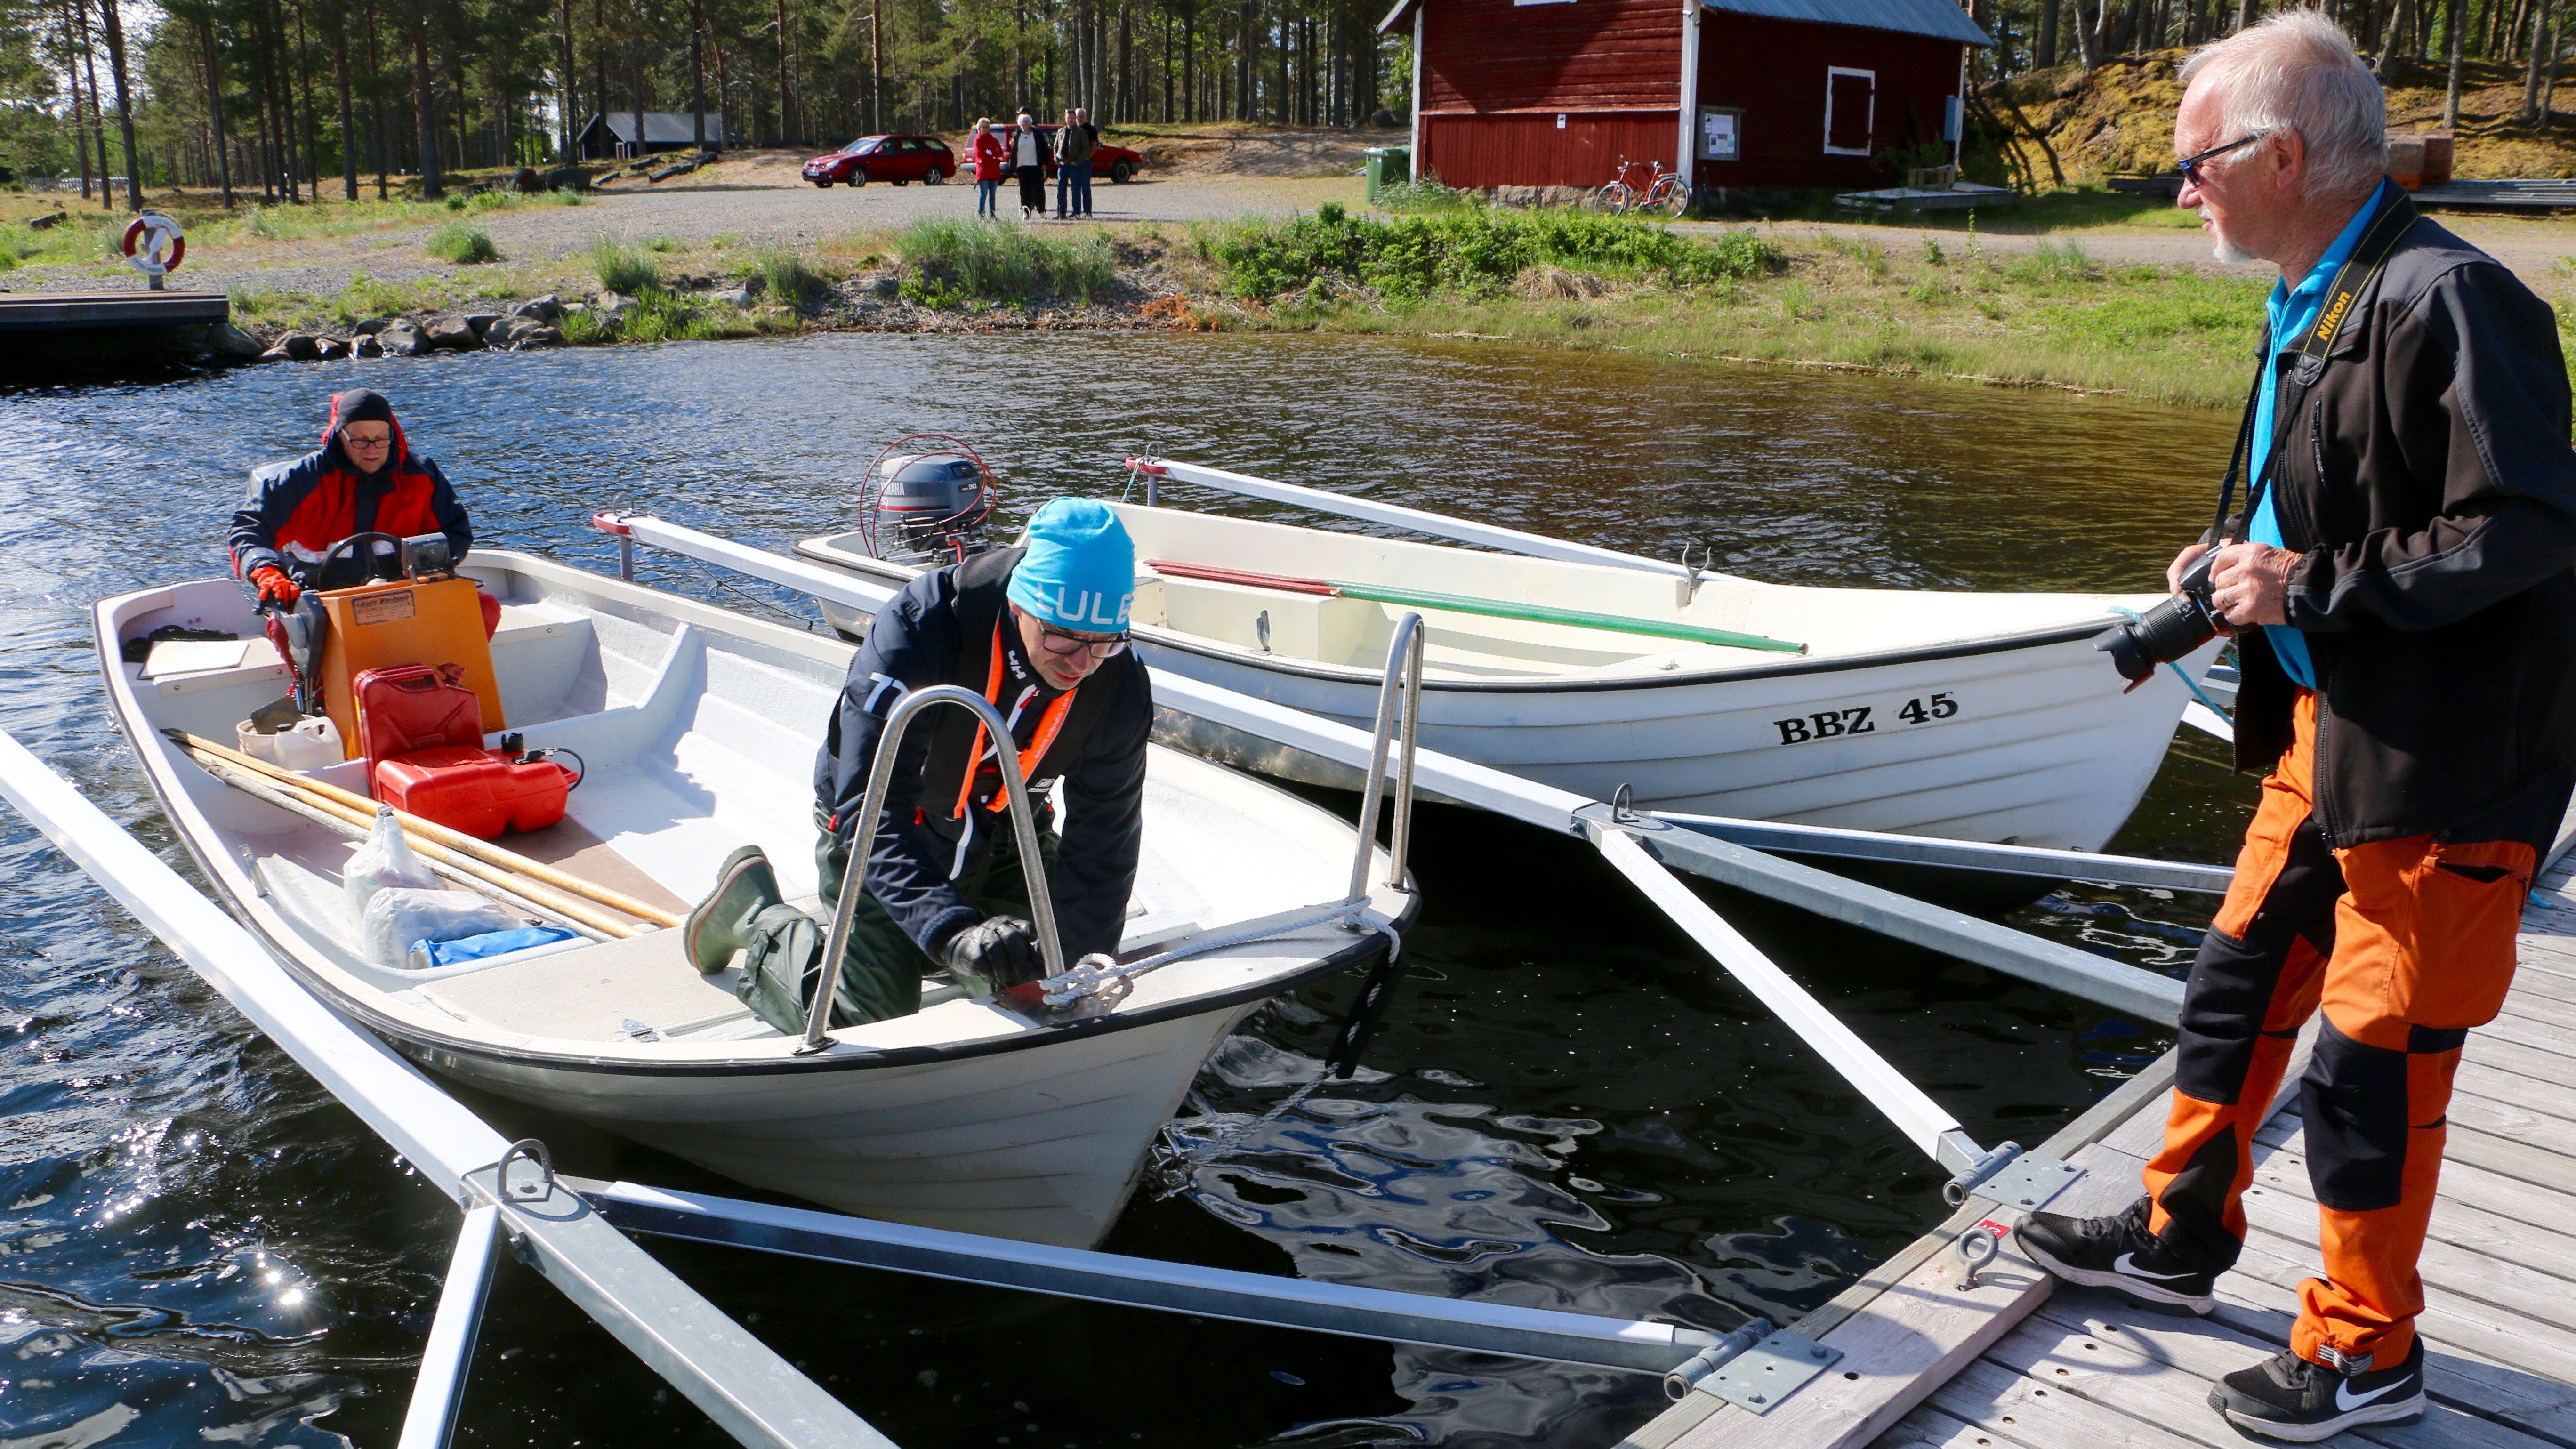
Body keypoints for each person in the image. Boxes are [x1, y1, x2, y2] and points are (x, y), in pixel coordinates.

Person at [2014, 12, 2576, 1443]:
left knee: (2370, 1065)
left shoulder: (2449, 299)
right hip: (2320, 730)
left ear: (2277, 154)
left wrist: (2311, 581)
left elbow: (2524, 532)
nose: (2179, 188)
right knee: (2234, 987)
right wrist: (2226, 561)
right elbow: (2320, 494)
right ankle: (2176, 1236)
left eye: (2194, 162)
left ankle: (2368, 1354)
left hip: (2441, 765)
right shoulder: (2316, 289)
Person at [683, 499, 1151, 1030]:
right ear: (1020, 605)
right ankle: (754, 913)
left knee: (1043, 994)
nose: (1079, 664)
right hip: (884, 831)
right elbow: (868, 812)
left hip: (1007, 831)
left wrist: (1076, 977)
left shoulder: (1118, 682)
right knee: (871, 1021)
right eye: (1062, 637)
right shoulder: (920, 629)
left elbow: (1105, 841)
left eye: (1102, 644)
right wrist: (951, 932)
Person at [1010, 112, 1051, 221]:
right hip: (1022, 167)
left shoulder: (1037, 133)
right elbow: (1014, 151)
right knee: (1025, 190)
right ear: (1020, 123)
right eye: (1023, 121)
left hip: (1036, 166)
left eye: (1027, 121)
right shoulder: (1017, 134)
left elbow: (1044, 149)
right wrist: (1013, 166)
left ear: (1030, 122)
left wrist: (1044, 163)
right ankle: (1026, 212)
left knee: (1039, 190)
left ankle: (1042, 210)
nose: (1025, 123)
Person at [1054, 108, 1094, 220]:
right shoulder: (1061, 131)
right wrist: (1057, 159)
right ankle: (1061, 213)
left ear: (1075, 118)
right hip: (1063, 165)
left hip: (1075, 166)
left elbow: (1086, 149)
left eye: (1072, 117)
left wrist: (1078, 162)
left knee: (1075, 189)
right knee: (1061, 189)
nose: (1070, 119)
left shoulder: (1081, 132)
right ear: (1065, 118)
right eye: (1068, 117)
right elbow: (1056, 146)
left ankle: (1076, 213)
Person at [968, 117, 1005, 219]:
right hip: (983, 171)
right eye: (984, 127)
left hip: (994, 171)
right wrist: (993, 154)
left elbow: (1000, 153)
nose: (986, 129)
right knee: (984, 193)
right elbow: (980, 154)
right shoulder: (978, 139)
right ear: (979, 128)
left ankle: (993, 214)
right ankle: (981, 214)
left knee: (993, 195)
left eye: (988, 127)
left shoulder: (994, 139)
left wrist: (990, 152)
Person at [1070, 107, 1098, 217]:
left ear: (1086, 117)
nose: (1080, 118)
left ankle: (1087, 212)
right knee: (1075, 188)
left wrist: (1087, 157)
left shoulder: (1091, 129)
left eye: (1082, 116)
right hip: (1073, 163)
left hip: (1086, 163)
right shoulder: (1072, 128)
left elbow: (1094, 145)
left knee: (1085, 187)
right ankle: (1076, 212)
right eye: (1078, 116)